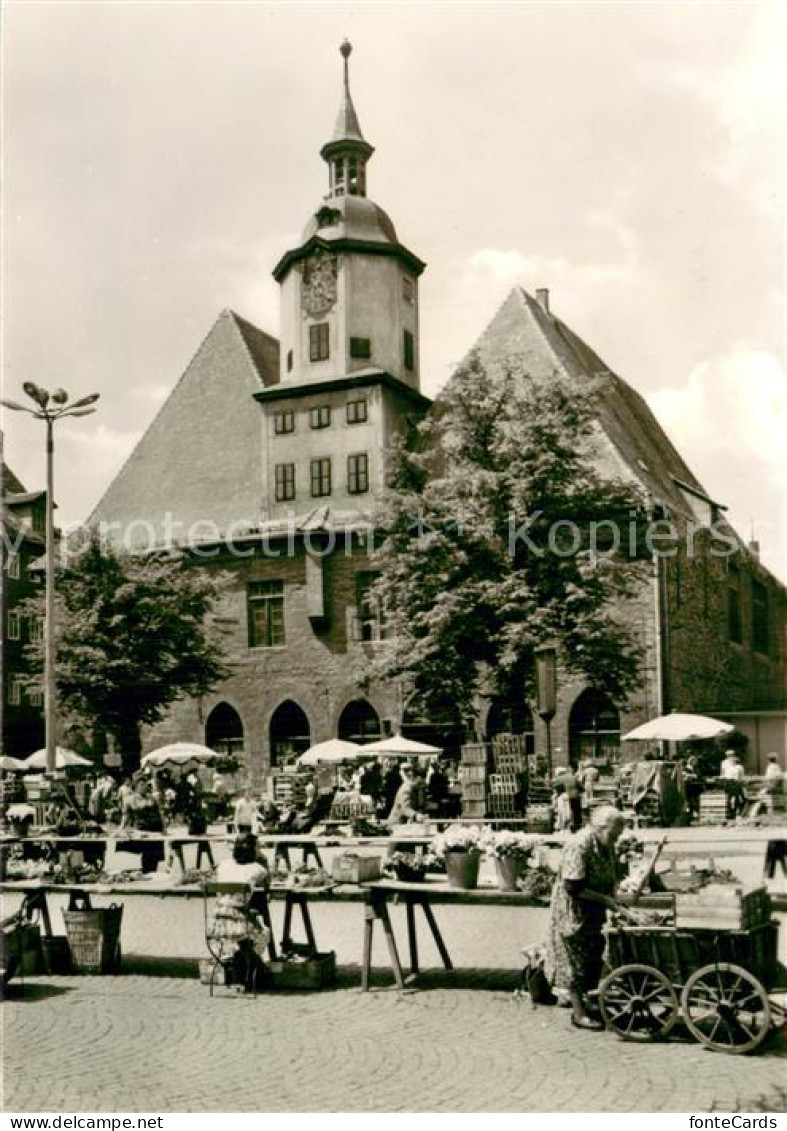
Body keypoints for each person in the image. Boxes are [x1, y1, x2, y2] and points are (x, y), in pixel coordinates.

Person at [544, 805, 629, 1029]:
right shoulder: (579, 844)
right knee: (575, 960)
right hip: (574, 910)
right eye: (615, 832)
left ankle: (590, 1002)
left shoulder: (605, 844)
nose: (617, 837)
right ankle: (578, 1012)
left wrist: (613, 899)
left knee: (593, 955)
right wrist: (606, 901)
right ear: (601, 827)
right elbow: (573, 886)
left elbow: (610, 876)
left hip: (594, 908)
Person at [208, 834, 271, 992]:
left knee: (244, 939)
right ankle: (256, 971)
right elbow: (266, 884)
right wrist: (262, 856)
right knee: (264, 932)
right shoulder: (258, 869)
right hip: (239, 922)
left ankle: (242, 969)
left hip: (218, 921)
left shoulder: (223, 865)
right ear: (253, 850)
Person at [386, 763, 421, 827]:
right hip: (396, 824)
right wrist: (416, 815)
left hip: (402, 823)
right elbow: (405, 808)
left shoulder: (411, 788)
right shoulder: (406, 789)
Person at [720, 750, 746, 819]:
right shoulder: (724, 763)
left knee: (738, 798)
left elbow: (741, 776)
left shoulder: (738, 766)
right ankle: (731, 813)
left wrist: (741, 781)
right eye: (729, 755)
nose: (731, 756)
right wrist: (723, 779)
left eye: (732, 755)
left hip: (736, 783)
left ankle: (737, 812)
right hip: (729, 782)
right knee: (730, 798)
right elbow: (723, 773)